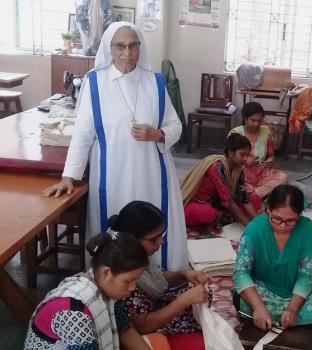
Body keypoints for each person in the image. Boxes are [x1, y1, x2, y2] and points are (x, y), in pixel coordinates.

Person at [41, 22, 188, 271]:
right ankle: (114, 279)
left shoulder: (155, 82)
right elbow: (83, 134)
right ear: (110, 48)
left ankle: (158, 276)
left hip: (151, 171)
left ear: (140, 48)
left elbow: (176, 125)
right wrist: (69, 176)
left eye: (133, 46)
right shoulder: (95, 83)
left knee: (152, 222)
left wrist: (159, 133)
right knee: (115, 224)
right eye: (120, 46)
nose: (127, 53)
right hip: (112, 173)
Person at [24, 232, 167, 349]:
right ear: (106, 273)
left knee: (159, 341)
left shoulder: (105, 289)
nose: (133, 287)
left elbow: (125, 329)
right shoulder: (75, 311)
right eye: (128, 281)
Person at [233, 184, 312, 332]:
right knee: (240, 299)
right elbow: (241, 273)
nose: (282, 226)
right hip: (263, 290)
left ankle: (273, 320)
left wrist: (293, 309)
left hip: (297, 294)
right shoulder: (254, 229)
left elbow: (306, 276)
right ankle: (270, 317)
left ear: (300, 215)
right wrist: (258, 306)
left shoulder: (307, 229)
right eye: (276, 219)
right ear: (268, 209)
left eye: (290, 221)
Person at [111, 201, 207, 349]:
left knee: (201, 299)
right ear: (133, 238)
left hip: (154, 308)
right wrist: (183, 301)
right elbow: (141, 326)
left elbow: (156, 278)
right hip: (148, 328)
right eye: (154, 238)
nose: (161, 242)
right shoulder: (124, 273)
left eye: (161, 235)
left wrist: (182, 274)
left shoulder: (135, 254)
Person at [181, 133, 260, 230]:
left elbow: (243, 198)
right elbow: (229, 201)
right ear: (231, 152)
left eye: (247, 155)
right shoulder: (217, 166)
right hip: (199, 203)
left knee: (256, 201)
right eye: (242, 155)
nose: (245, 159)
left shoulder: (237, 169)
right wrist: (249, 227)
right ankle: (219, 217)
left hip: (219, 205)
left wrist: (257, 222)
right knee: (206, 213)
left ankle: (220, 218)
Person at [229, 102, 288, 198]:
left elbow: (271, 154)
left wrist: (271, 159)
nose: (256, 124)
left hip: (260, 174)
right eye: (253, 120)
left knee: (283, 177)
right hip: (240, 174)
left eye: (259, 121)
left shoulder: (265, 132)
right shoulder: (235, 133)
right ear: (245, 118)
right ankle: (259, 193)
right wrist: (244, 160)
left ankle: (253, 194)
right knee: (233, 182)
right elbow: (228, 158)